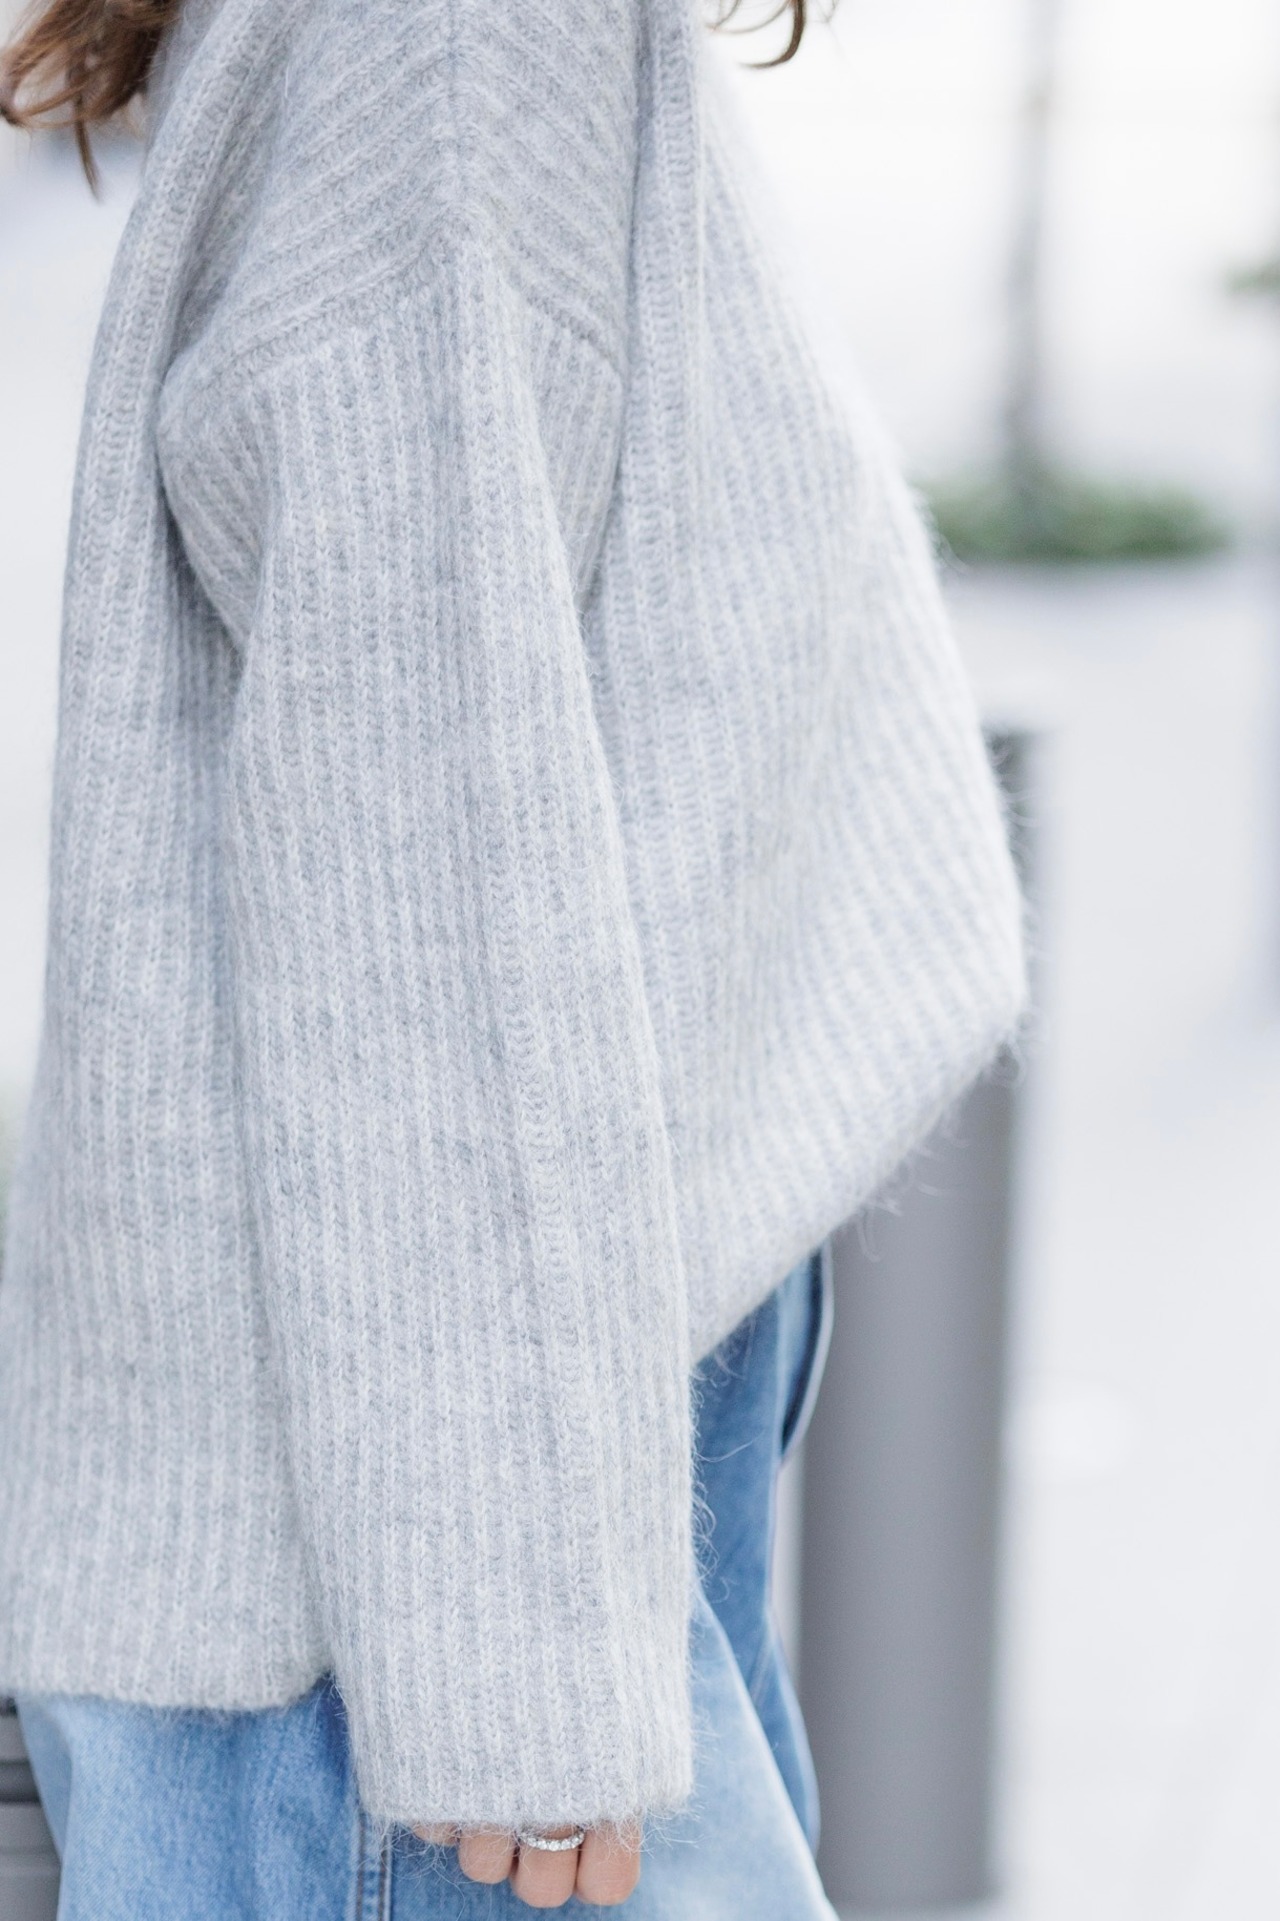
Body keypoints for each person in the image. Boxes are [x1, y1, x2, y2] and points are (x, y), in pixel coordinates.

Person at [0, 0, 1026, 1911]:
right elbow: (411, 855)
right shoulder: (453, 40)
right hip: (413, 1578)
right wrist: (516, 1669)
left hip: (474, 1453)